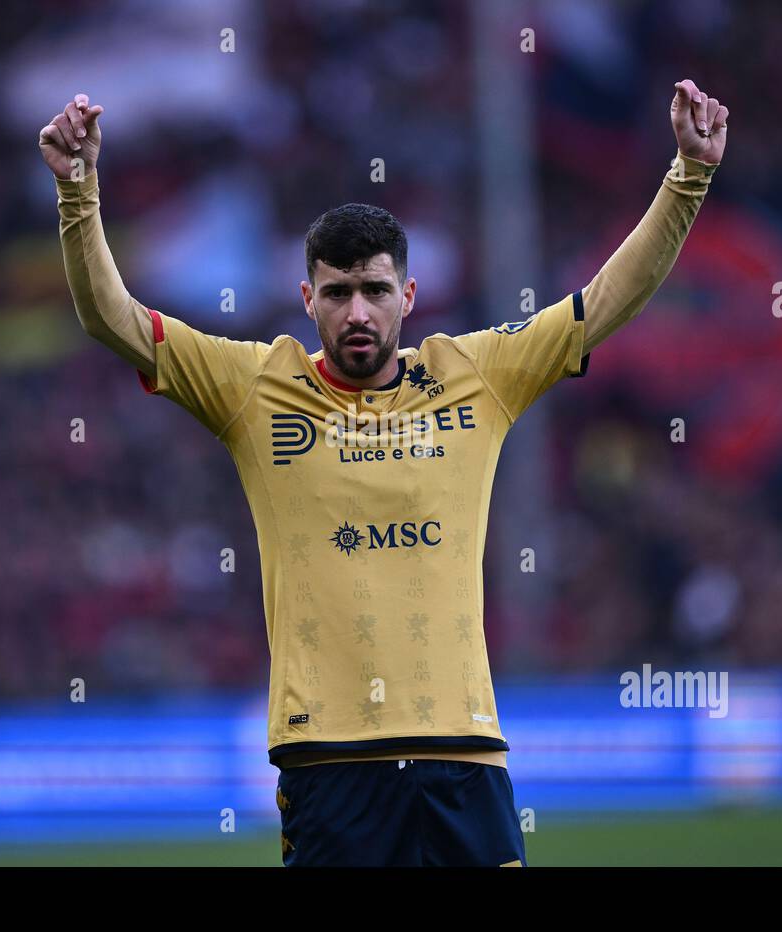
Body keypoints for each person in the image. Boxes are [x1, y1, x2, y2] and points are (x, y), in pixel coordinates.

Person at [40, 80, 727, 866]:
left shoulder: (476, 373)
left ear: (409, 294)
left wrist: (689, 176)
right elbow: (112, 316)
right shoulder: (254, 386)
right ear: (308, 299)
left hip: (463, 757)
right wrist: (78, 193)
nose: (357, 312)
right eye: (337, 294)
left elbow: (605, 299)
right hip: (331, 765)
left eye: (373, 291)